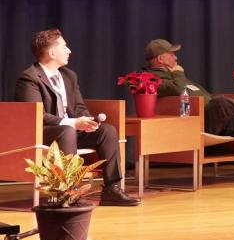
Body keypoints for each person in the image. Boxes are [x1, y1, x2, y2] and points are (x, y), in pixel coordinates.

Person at [142, 39, 234, 187]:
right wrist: (178, 74)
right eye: (171, 54)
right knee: (219, 101)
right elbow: (180, 91)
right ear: (161, 58)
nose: (176, 57)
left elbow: (206, 96)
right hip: (195, 123)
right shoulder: (154, 78)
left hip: (214, 118)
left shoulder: (177, 76)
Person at [15, 28, 140, 206]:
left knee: (107, 131)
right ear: (51, 52)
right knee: (67, 131)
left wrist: (87, 121)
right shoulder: (30, 78)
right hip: (44, 133)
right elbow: (37, 116)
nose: (69, 50)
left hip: (69, 131)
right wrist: (73, 123)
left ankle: (112, 189)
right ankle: (70, 193)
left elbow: (79, 107)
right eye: (64, 47)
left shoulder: (69, 76)